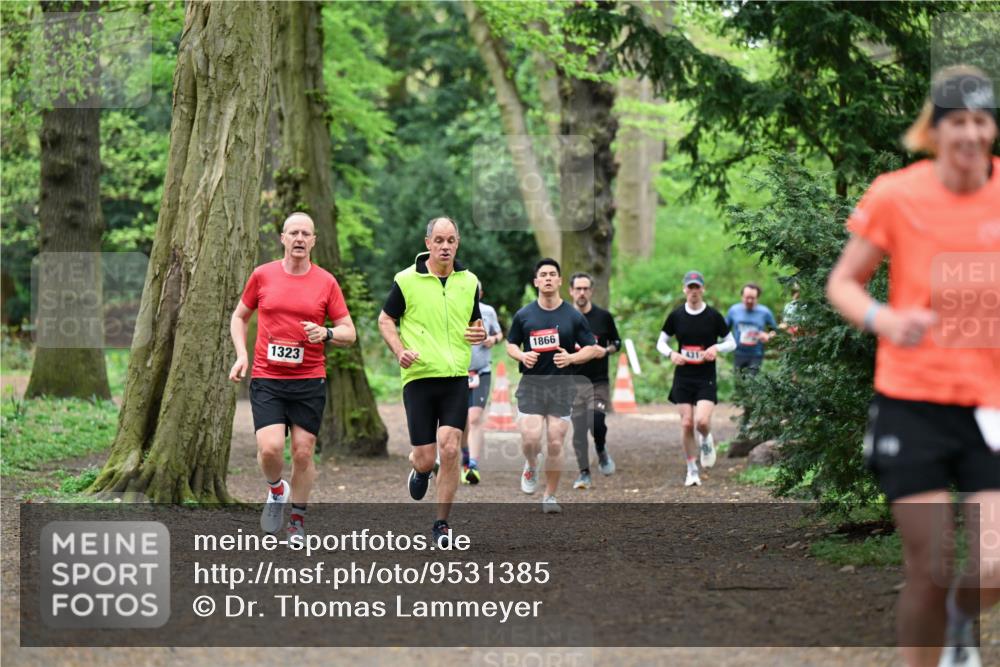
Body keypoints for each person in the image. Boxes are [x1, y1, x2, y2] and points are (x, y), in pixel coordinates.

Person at [827, 66, 999, 667]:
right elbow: (844, 283)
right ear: (935, 130)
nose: (971, 134)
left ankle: (961, 620)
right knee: (928, 567)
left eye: (982, 121)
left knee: (993, 564)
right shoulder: (897, 194)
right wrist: (883, 319)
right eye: (958, 122)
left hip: (991, 405)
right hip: (913, 398)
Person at [229, 212, 357, 542]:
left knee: (303, 451)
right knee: (270, 449)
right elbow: (240, 317)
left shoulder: (326, 282)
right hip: (267, 377)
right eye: (294, 233)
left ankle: (297, 520)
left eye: (306, 234)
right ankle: (276, 490)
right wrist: (242, 354)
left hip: (309, 379)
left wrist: (326, 333)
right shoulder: (263, 275)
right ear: (283, 238)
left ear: (314, 240)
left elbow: (349, 332)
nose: (299, 238)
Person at [377, 217, 485, 547]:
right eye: (438, 240)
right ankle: (422, 470)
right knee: (426, 456)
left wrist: (479, 332)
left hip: (455, 377)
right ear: (427, 244)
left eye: (451, 240)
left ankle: (441, 523)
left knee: (451, 448)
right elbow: (385, 320)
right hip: (420, 377)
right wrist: (399, 350)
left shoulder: (469, 282)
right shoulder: (406, 281)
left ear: (458, 243)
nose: (445, 246)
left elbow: (475, 322)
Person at [507, 258, 598, 513]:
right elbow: (511, 344)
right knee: (531, 439)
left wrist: (571, 357)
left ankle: (549, 496)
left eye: (552, 274)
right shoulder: (524, 315)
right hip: (532, 385)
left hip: (562, 386)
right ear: (536, 281)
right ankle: (531, 464)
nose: (547, 278)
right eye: (543, 274)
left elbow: (591, 347)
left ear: (559, 280)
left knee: (556, 441)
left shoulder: (573, 316)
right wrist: (522, 356)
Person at [656, 270, 736, 487]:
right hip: (683, 376)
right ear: (684, 290)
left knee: (701, 421)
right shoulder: (676, 316)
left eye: (697, 287)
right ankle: (692, 470)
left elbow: (732, 342)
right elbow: (661, 342)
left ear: (703, 290)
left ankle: (706, 437)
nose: (693, 291)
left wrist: (716, 348)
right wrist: (671, 354)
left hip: (705, 376)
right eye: (690, 287)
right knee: (687, 423)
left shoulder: (713, 316)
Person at [568, 271, 621, 490]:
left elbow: (617, 343)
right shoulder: (563, 318)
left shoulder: (603, 317)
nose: (581, 293)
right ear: (571, 291)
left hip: (598, 381)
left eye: (585, 289)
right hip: (572, 382)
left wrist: (605, 351)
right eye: (577, 289)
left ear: (591, 291)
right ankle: (584, 473)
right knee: (579, 429)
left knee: (596, 420)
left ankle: (601, 449)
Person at [461, 281, 503, 485]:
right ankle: (464, 454)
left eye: (476, 291)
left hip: (481, 371)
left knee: (475, 417)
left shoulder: (488, 311)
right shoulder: (455, 308)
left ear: (481, 293)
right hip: (457, 372)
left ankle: (473, 465)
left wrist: (493, 340)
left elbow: (499, 333)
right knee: (460, 421)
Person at [726, 283, 777, 377]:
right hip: (738, 353)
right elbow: (724, 330)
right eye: (747, 297)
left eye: (752, 298)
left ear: (757, 298)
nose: (749, 300)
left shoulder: (765, 312)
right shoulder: (734, 310)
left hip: (756, 354)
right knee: (738, 383)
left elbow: (774, 331)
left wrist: (768, 336)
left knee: (751, 383)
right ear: (742, 296)